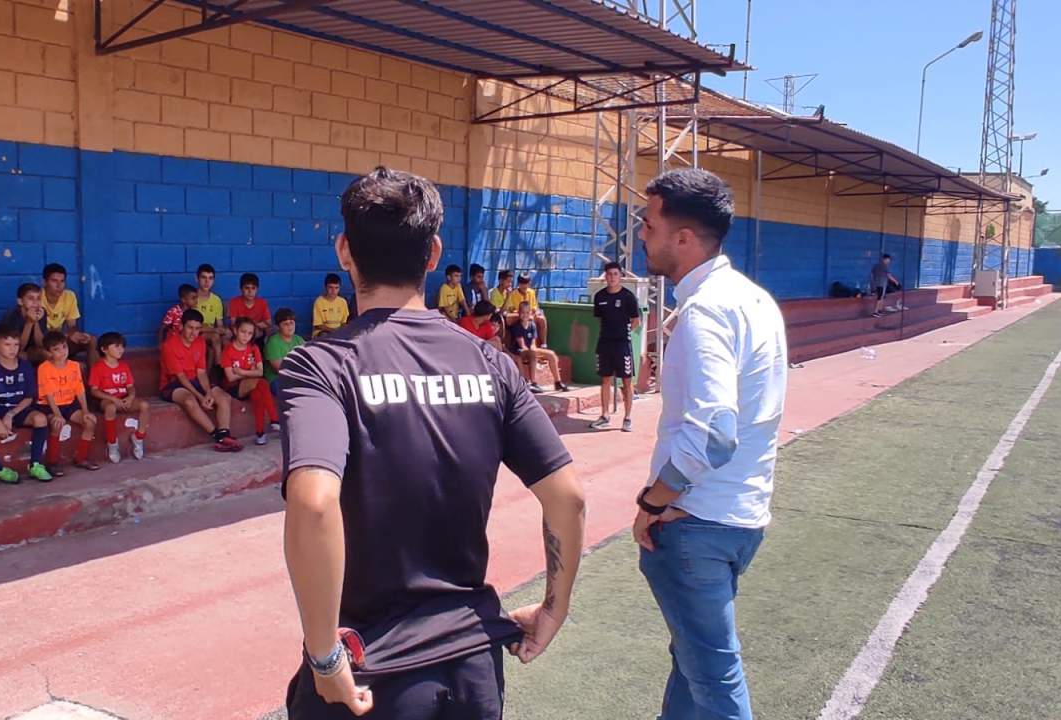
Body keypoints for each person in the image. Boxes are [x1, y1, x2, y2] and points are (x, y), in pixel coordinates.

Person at [281, 167, 585, 719]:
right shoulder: (491, 363)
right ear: (433, 254)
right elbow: (567, 496)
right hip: (472, 670)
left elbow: (314, 503)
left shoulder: (321, 365)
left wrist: (325, 657)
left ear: (344, 250)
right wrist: (553, 608)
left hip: (373, 675)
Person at [630, 169, 787, 720]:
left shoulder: (707, 311)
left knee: (716, 683)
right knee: (694, 663)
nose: (640, 235)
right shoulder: (754, 299)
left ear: (683, 238)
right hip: (740, 517)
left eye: (649, 225)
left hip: (697, 522)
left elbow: (715, 433)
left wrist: (654, 500)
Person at [0, 327, 53, 483]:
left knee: (40, 419)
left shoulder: (25, 367)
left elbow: (29, 398)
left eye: (16, 345)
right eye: (7, 344)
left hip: (18, 410)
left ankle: (35, 465)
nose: (12, 349)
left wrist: (11, 414)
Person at [159, 309, 242, 453]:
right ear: (181, 326)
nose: (193, 333)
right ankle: (217, 436)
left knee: (223, 397)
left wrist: (208, 393)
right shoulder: (169, 345)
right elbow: (181, 377)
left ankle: (224, 435)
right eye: (190, 328)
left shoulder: (200, 342)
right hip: (173, 384)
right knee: (189, 400)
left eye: (197, 329)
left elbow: (201, 372)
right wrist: (200, 397)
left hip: (195, 380)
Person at [590, 261, 642, 433]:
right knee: (605, 379)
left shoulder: (628, 297)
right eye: (609, 274)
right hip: (604, 344)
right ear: (605, 276)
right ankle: (605, 415)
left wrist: (623, 332)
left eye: (615, 274)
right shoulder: (599, 297)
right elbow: (600, 319)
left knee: (626, 380)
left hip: (622, 345)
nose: (612, 277)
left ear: (620, 276)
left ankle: (627, 418)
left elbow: (636, 321)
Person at [37, 332, 100, 474]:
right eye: (56, 349)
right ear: (49, 353)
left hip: (69, 404)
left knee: (90, 422)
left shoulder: (74, 366)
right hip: (49, 406)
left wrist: (85, 411)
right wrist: (57, 414)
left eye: (64, 347)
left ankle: (81, 458)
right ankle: (52, 462)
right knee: (57, 424)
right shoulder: (44, 368)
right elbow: (48, 394)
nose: (62, 352)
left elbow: (79, 389)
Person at [89, 332, 150, 464]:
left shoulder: (124, 366)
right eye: (116, 346)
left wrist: (131, 396)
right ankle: (112, 443)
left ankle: (139, 437)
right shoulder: (98, 367)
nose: (121, 349)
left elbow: (130, 386)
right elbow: (94, 391)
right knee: (110, 408)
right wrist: (113, 399)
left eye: (122, 346)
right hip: (107, 400)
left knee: (144, 405)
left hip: (123, 398)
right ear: (104, 349)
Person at [221, 317, 280, 446]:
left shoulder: (253, 348)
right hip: (233, 388)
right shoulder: (228, 350)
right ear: (235, 330)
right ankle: (274, 418)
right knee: (262, 383)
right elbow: (230, 377)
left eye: (250, 333)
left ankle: (260, 433)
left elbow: (260, 372)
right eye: (243, 332)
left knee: (257, 394)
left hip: (251, 383)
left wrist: (241, 372)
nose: (246, 336)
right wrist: (250, 372)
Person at [41, 263, 98, 366]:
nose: (59, 285)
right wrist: (67, 335)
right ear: (44, 282)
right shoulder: (37, 297)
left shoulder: (69, 296)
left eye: (62, 281)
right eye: (54, 281)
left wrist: (75, 335)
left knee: (91, 340)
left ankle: (95, 376)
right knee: (44, 352)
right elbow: (41, 336)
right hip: (43, 344)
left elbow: (72, 326)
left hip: (60, 341)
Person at [508, 302, 568, 393]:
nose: (525, 315)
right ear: (519, 313)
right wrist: (532, 351)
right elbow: (522, 345)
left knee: (551, 354)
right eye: (523, 312)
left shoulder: (532, 325)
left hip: (531, 350)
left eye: (527, 312)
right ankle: (533, 382)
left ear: (530, 313)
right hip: (520, 351)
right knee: (532, 353)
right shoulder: (517, 326)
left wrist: (533, 349)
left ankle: (557, 382)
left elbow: (533, 342)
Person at [0, 282, 50, 364]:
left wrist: (35, 321)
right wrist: (29, 323)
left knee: (49, 354)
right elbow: (16, 348)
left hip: (31, 349)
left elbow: (41, 344)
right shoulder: (12, 315)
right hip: (11, 350)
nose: (36, 302)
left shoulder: (41, 312)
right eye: (31, 298)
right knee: (20, 356)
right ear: (20, 301)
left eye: (38, 298)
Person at [265, 308, 305, 396]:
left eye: (292, 323)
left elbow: (308, 361)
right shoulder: (273, 342)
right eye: (285, 324)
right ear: (278, 326)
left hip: (297, 376)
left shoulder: (299, 339)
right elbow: (280, 369)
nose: (290, 326)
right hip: (277, 379)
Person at [229, 273, 272, 350]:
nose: (250, 291)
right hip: (240, 333)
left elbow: (268, 323)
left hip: (256, 333)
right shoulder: (234, 302)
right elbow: (233, 323)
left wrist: (254, 326)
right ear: (241, 289)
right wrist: (249, 327)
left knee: (264, 332)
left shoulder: (262, 302)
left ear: (257, 289)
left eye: (253, 288)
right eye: (247, 288)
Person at [194, 264, 228, 363]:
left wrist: (223, 330)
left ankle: (230, 367)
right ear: (197, 279)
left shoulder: (216, 300)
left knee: (227, 338)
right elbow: (190, 325)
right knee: (215, 336)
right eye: (203, 277)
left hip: (212, 332)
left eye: (210, 278)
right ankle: (220, 365)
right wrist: (214, 330)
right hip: (195, 332)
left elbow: (220, 324)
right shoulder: (192, 298)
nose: (207, 281)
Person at [506, 274, 547, 344]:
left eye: (526, 283)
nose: (524, 286)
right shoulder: (513, 294)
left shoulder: (532, 292)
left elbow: (535, 307)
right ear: (518, 284)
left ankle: (544, 344)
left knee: (542, 319)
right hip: (519, 316)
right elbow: (512, 309)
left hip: (531, 314)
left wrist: (532, 313)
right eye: (522, 283)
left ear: (529, 283)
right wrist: (524, 314)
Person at [311, 274, 350, 338]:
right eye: (330, 287)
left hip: (339, 331)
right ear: (325, 287)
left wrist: (341, 331)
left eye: (336, 288)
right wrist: (333, 331)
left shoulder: (343, 302)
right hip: (323, 331)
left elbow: (344, 322)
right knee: (324, 335)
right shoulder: (319, 302)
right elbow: (318, 325)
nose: (333, 291)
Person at [871, 253, 902, 317]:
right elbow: (889, 276)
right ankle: (875, 312)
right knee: (880, 298)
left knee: (881, 297)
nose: (889, 261)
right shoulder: (884, 266)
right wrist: (896, 282)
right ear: (884, 259)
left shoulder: (876, 265)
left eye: (889, 260)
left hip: (878, 283)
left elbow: (872, 274)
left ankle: (879, 310)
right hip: (881, 284)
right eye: (888, 260)